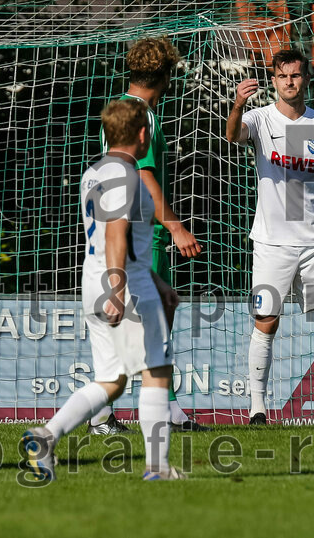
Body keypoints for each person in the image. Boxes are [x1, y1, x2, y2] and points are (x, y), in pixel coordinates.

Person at [22, 98, 183, 482]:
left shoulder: (94, 171)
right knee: (156, 372)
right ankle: (158, 467)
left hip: (95, 278)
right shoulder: (129, 175)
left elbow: (120, 239)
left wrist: (157, 281)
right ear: (143, 134)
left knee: (112, 380)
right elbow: (115, 232)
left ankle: (45, 437)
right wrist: (119, 287)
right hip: (121, 284)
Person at [225, 48, 314, 428]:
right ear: (273, 80)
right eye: (283, 76)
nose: (289, 82)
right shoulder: (258, 118)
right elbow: (232, 134)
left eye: (296, 76)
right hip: (272, 241)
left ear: (305, 79)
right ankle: (257, 411)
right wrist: (237, 103)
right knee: (266, 320)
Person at [89, 36, 208, 434]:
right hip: (138, 237)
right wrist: (174, 225)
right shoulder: (142, 117)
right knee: (142, 325)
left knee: (160, 314)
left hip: (127, 236)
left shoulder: (120, 109)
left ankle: (165, 411)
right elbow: (143, 175)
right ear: (166, 75)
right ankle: (104, 416)